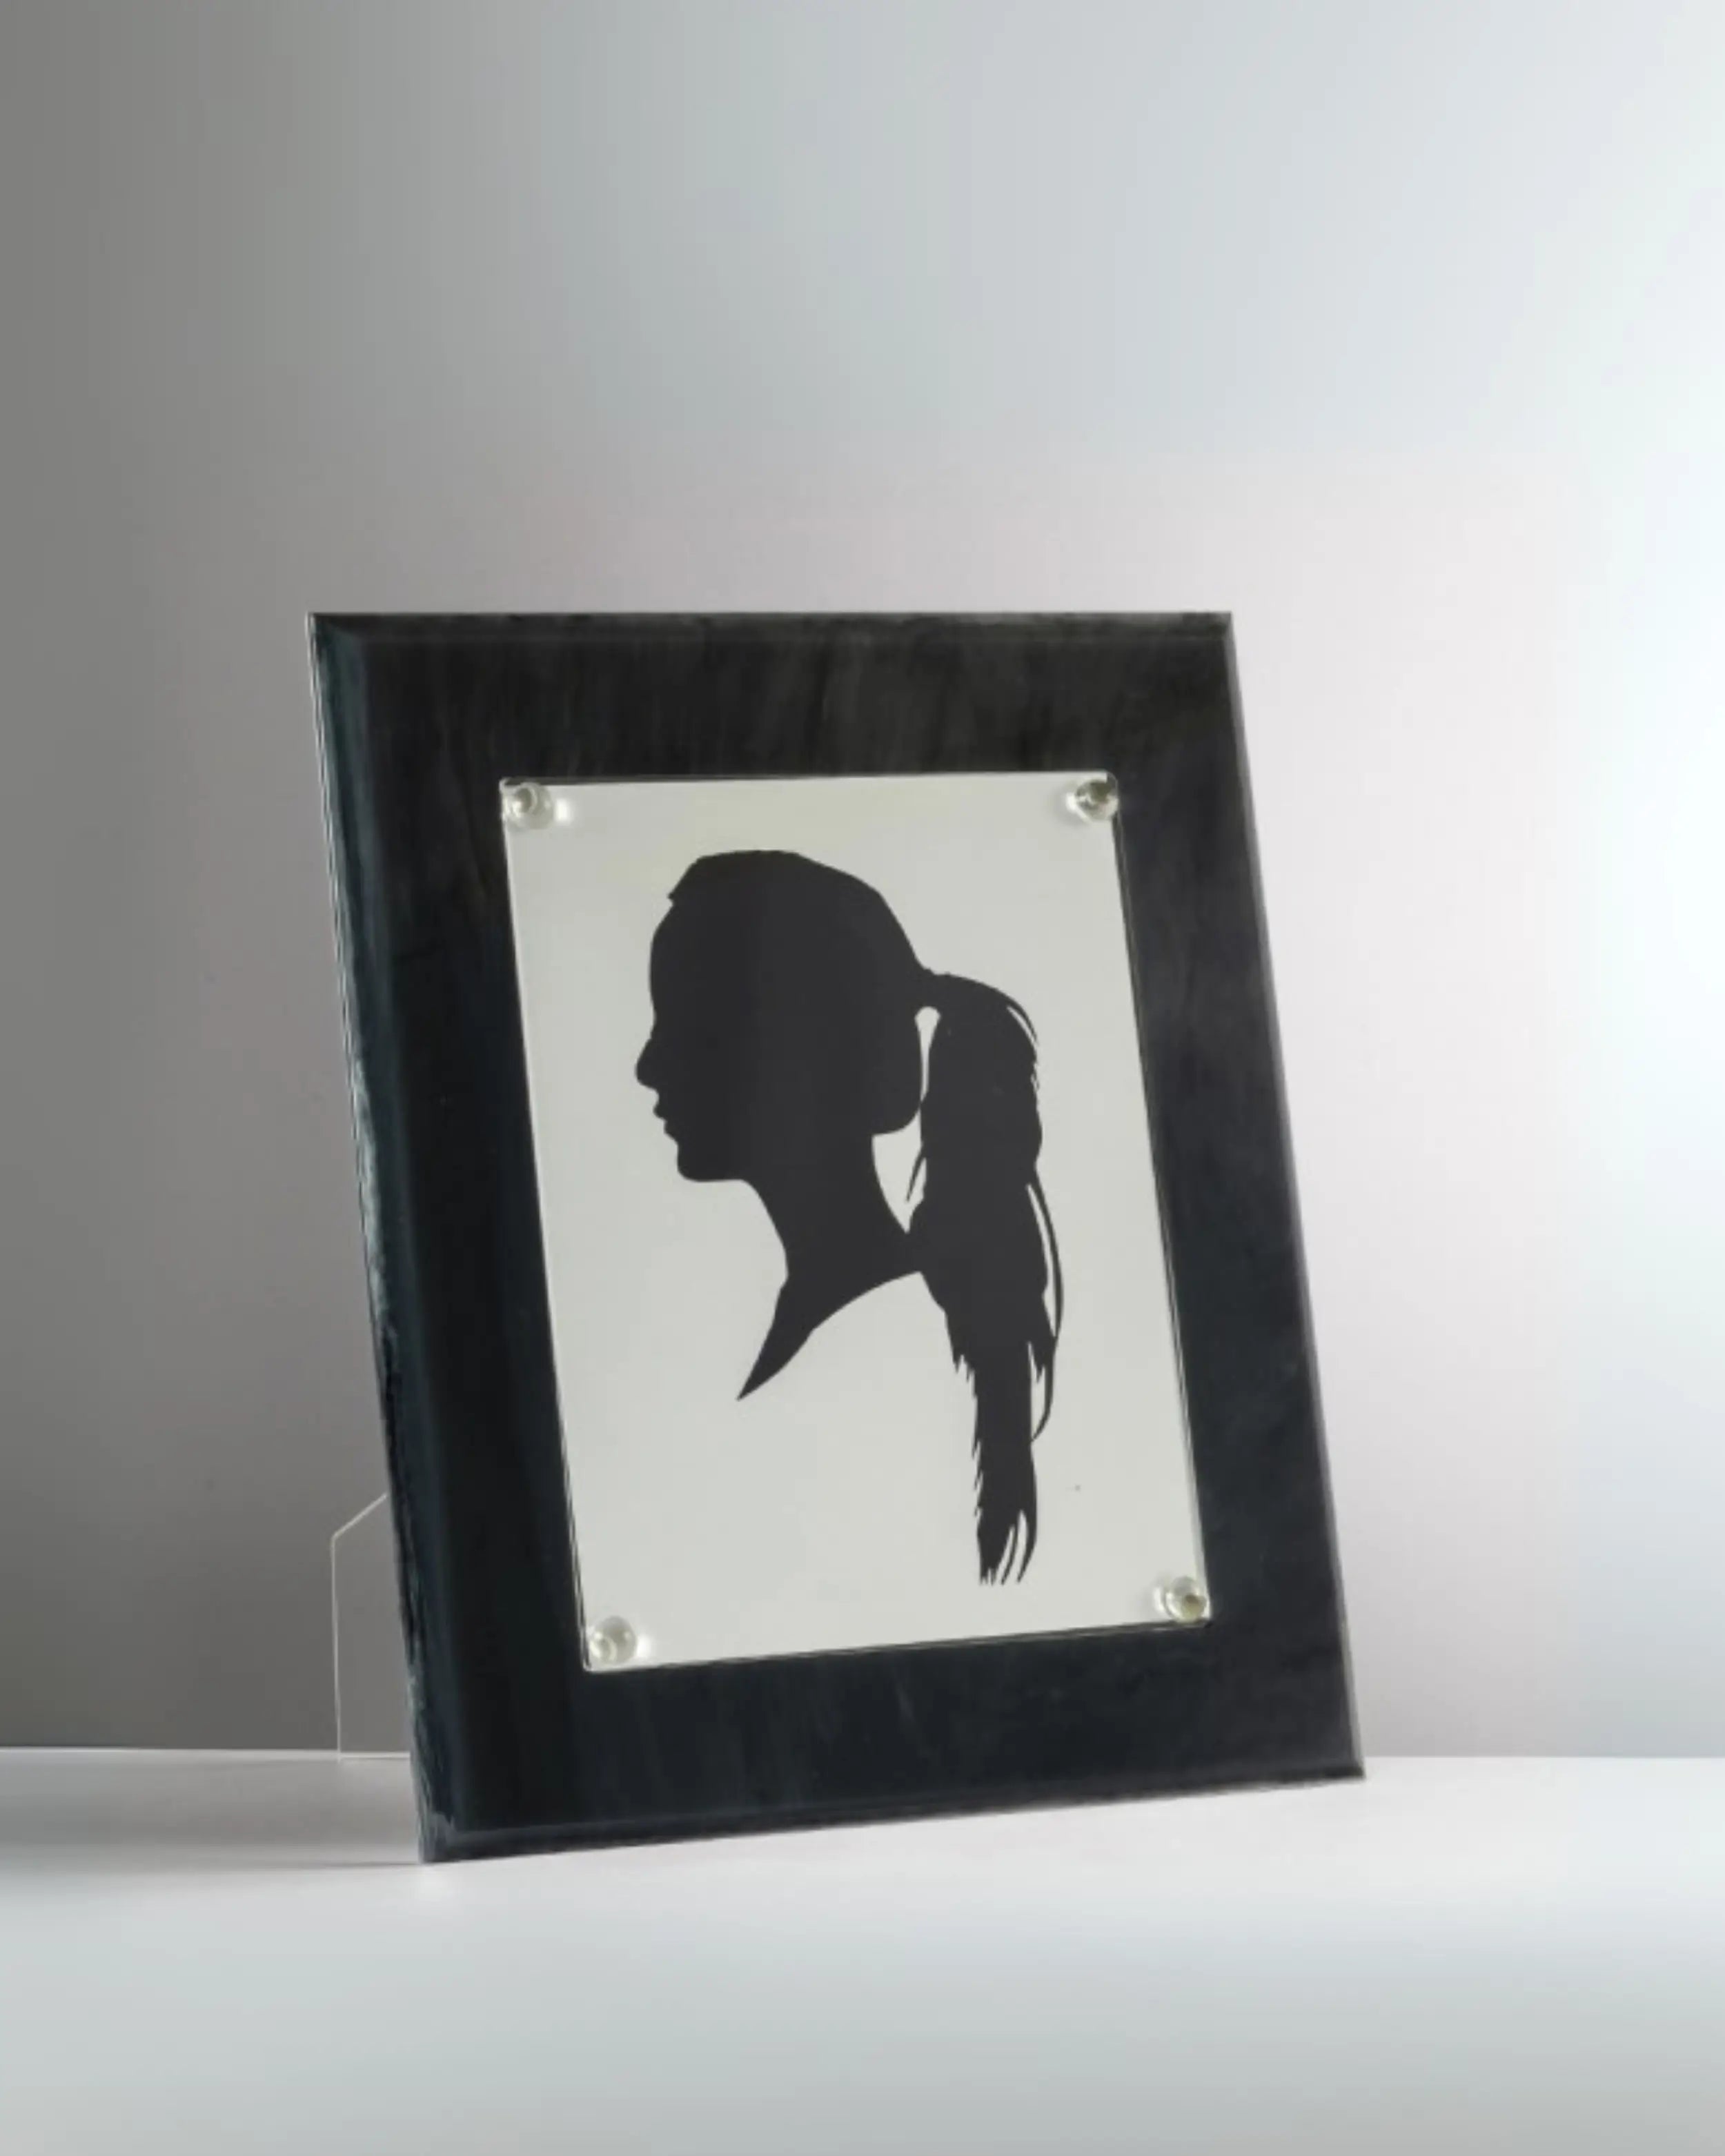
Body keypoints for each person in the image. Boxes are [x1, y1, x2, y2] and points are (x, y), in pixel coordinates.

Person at [635, 849, 1061, 1581]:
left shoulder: (898, 1352)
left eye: (688, 1025)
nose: (648, 1065)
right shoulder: (835, 1315)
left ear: (797, 1055)